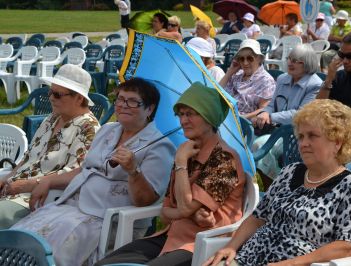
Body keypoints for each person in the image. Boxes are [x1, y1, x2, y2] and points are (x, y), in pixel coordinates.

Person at [12, 78, 176, 265]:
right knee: (23, 239)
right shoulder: (108, 130)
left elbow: (145, 201)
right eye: (120, 99)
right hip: (72, 203)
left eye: (132, 101)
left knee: (48, 251)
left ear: (149, 109)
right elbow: (84, 169)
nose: (123, 105)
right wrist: (47, 181)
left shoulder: (159, 147)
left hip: (104, 217)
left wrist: (133, 171)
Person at [205, 99, 351, 266]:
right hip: (249, 257)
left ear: (337, 142)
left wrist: (291, 263)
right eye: (300, 136)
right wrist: (231, 247)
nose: (303, 143)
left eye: (312, 136)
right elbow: (258, 217)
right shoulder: (290, 171)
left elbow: (347, 247)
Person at [95, 82, 245, 266]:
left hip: (200, 244)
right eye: (181, 114)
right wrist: (185, 212)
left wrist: (180, 162)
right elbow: (166, 212)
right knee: (104, 264)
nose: (183, 121)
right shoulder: (188, 151)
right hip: (170, 236)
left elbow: (185, 207)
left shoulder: (224, 158)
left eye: (190, 114)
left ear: (210, 117)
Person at [0, 64, 100, 229]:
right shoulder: (52, 119)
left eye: (58, 94)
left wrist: (25, 185)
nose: (51, 98)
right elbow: (28, 157)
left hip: (38, 197)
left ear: (79, 98)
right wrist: (6, 178)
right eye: (50, 92)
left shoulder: (88, 129)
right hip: (14, 188)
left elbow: (74, 174)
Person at [251, 44, 323, 184]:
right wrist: (265, 113)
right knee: (246, 140)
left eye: (296, 60)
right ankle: (265, 187)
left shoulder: (315, 84)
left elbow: (302, 114)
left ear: (307, 63)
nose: (290, 63)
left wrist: (271, 117)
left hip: (297, 133)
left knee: (260, 145)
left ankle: (276, 186)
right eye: (289, 59)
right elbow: (272, 104)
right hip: (275, 129)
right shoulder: (283, 79)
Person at [220, 39, 276, 119]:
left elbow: (264, 109)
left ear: (259, 59)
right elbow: (217, 94)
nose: (245, 63)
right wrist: (230, 72)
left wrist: (242, 118)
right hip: (225, 117)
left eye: (250, 58)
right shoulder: (237, 75)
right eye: (241, 59)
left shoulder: (266, 80)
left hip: (245, 122)